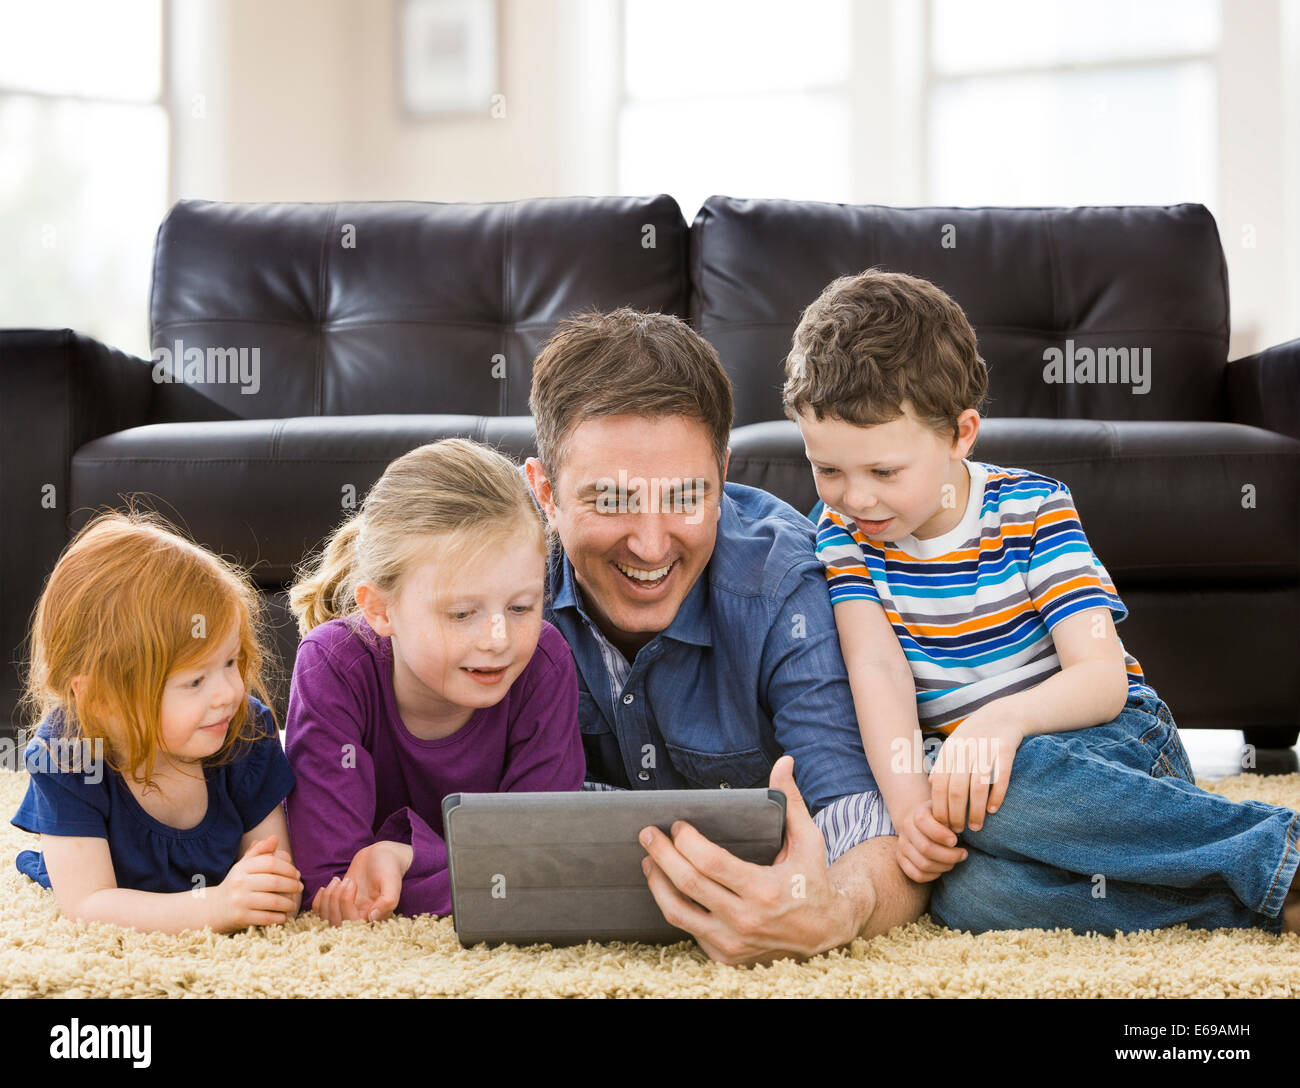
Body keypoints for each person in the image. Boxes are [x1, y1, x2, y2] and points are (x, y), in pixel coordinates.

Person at [787, 268, 1300, 936]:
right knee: (967, 895)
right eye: (828, 470)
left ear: (959, 434)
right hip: (971, 776)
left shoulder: (1032, 509)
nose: (855, 498)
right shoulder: (840, 536)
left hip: (1106, 742)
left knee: (1002, 783)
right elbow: (876, 672)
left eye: (883, 471)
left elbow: (1102, 680)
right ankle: (1249, 900)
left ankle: (1276, 849)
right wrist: (913, 811)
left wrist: (1001, 725)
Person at [523, 308, 928, 965]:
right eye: (610, 500)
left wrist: (837, 910)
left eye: (686, 497)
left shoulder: (783, 586)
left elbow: (875, 838)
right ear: (544, 491)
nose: (651, 545)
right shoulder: (503, 587)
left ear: (722, 475)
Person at [285, 437, 585, 925]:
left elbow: (539, 867)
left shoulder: (544, 662)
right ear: (379, 609)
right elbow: (330, 881)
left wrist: (407, 858)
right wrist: (480, 871)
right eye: (462, 613)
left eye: (521, 607)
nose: (498, 639)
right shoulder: (332, 664)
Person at [10, 511, 301, 934]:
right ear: (101, 697)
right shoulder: (68, 755)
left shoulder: (243, 730)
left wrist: (271, 889)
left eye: (231, 661)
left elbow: (274, 869)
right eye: (196, 680)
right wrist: (213, 906)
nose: (229, 693)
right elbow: (88, 904)